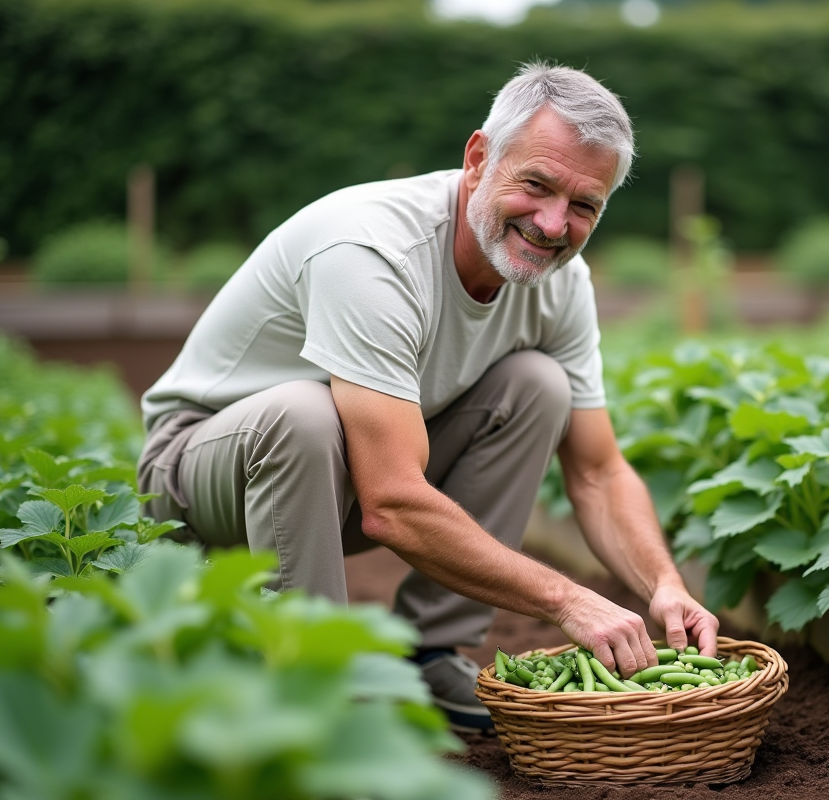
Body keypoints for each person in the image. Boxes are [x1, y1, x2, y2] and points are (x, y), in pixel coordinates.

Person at [137, 62, 719, 731]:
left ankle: (428, 655)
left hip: (341, 482)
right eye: (536, 184)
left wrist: (664, 585)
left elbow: (597, 470)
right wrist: (568, 599)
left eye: (584, 205)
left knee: (538, 387)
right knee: (303, 414)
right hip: (201, 480)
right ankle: (307, 686)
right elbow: (390, 502)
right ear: (478, 159)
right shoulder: (371, 250)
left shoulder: (561, 282)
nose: (554, 224)